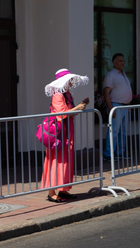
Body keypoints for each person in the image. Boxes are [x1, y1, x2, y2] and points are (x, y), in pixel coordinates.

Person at [42, 68, 89, 203]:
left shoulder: (67, 95)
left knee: (65, 160)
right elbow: (62, 113)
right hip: (57, 133)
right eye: (69, 80)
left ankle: (63, 189)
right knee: (56, 160)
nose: (72, 82)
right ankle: (51, 192)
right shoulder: (58, 95)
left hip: (66, 131)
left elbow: (69, 113)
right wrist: (78, 107)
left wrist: (79, 106)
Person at [103, 53, 133, 161]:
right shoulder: (111, 75)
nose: (122, 63)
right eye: (120, 61)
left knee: (123, 132)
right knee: (114, 131)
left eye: (123, 61)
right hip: (116, 105)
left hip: (124, 107)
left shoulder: (123, 74)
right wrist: (111, 108)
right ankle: (108, 154)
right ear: (113, 63)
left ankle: (120, 152)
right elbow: (106, 92)